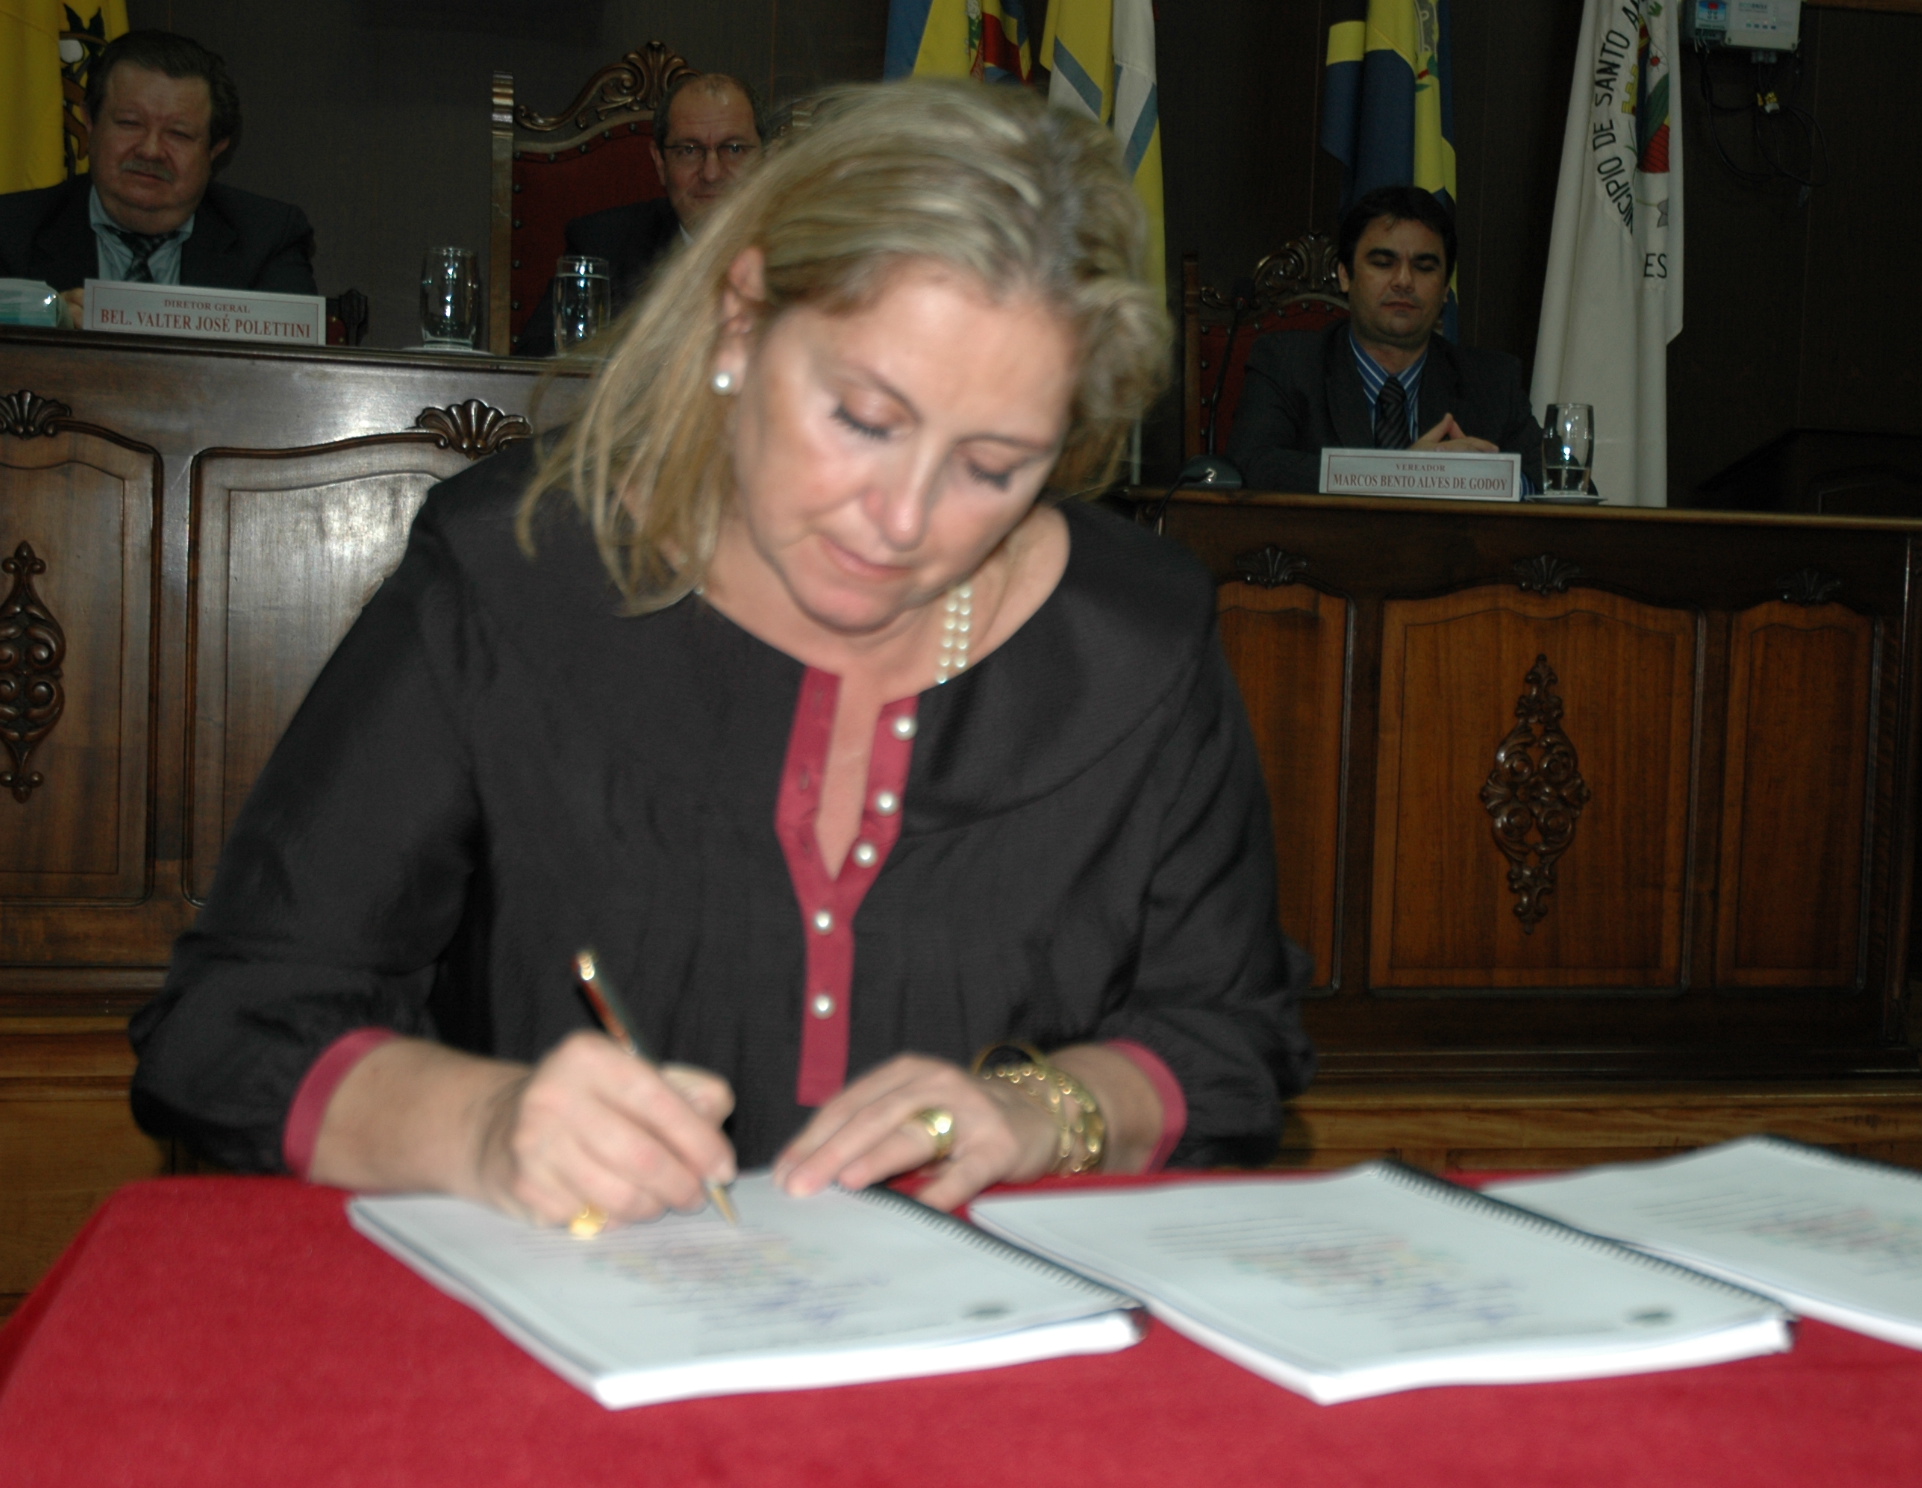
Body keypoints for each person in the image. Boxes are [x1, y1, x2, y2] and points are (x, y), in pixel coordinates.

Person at [129, 80, 1316, 1229]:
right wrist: (484, 1127)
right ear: (743, 319)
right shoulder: (515, 573)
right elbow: (231, 1027)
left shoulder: (1136, 640)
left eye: (993, 466)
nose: (902, 521)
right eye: (862, 419)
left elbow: (1229, 1040)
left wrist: (1046, 1113)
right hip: (570, 1318)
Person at [1223, 185, 1541, 494]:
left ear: (1445, 288)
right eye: (1383, 263)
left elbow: (1551, 483)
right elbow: (1253, 465)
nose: (1404, 281)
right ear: (1345, 275)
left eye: (1424, 267)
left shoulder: (1492, 382)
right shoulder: (1287, 364)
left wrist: (1489, 480)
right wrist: (1404, 473)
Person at [0, 29, 315, 324]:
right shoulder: (10, 231)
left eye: (178, 134)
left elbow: (291, 358)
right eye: (129, 123)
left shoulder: (266, 239)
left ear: (215, 149)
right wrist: (39, 324)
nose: (150, 151)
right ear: (90, 124)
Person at [513, 73, 762, 357]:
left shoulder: (799, 250)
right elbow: (540, 363)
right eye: (688, 150)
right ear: (660, 163)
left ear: (769, 158)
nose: (711, 173)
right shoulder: (605, 245)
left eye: (734, 149)